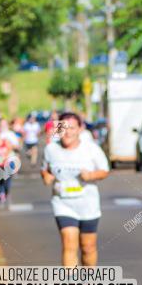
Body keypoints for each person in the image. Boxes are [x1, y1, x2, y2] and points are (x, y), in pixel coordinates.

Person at [41, 112, 110, 266]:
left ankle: (88, 284)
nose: (67, 132)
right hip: (63, 203)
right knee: (69, 244)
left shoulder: (91, 149)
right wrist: (46, 176)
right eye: (63, 127)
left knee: (88, 247)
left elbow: (105, 170)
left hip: (88, 204)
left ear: (80, 129)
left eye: (72, 127)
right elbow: (45, 169)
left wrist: (91, 175)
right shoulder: (51, 149)